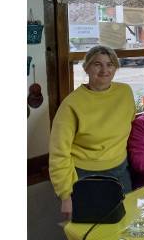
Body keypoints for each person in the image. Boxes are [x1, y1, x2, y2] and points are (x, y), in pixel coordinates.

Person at [48, 46, 136, 220]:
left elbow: (130, 124)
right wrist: (66, 195)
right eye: (97, 64)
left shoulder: (125, 92)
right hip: (84, 177)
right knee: (89, 229)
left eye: (110, 64)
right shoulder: (71, 104)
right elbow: (59, 154)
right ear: (86, 68)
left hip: (120, 172)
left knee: (125, 223)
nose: (104, 70)